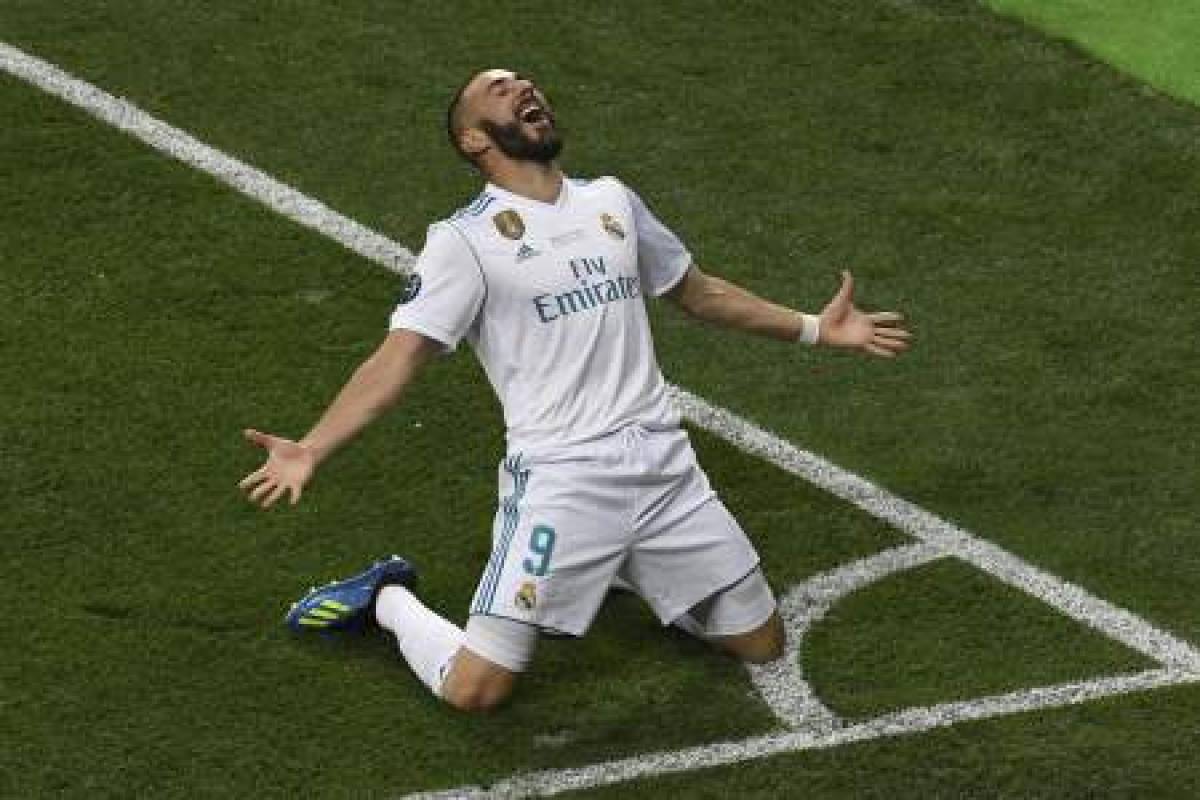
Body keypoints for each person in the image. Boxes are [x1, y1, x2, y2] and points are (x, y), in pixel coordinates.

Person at [238, 68, 911, 713]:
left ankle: (623, 563)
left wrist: (816, 329)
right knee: (476, 690)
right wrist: (311, 449)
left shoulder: (610, 201)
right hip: (563, 483)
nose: (523, 88)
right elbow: (400, 357)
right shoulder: (465, 242)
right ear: (474, 139)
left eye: (524, 82)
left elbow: (697, 292)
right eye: (499, 91)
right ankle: (386, 599)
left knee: (762, 644)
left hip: (663, 470)